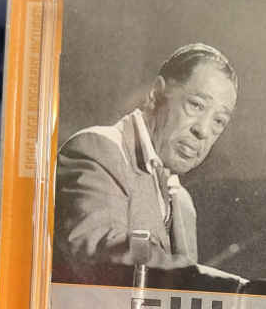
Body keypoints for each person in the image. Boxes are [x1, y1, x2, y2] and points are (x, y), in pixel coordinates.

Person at [53, 43, 238, 283]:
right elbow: (101, 254)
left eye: (219, 121)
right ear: (156, 94)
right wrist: (225, 287)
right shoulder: (97, 149)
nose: (203, 130)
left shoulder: (183, 204)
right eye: (196, 105)